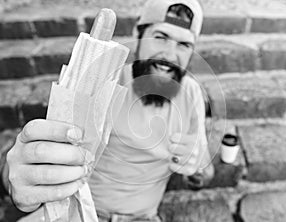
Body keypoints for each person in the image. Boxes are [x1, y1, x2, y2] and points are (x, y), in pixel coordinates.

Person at [2, 0, 214, 221]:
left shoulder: (191, 93)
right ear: (138, 33)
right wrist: (16, 175)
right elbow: (35, 157)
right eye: (160, 37)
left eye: (184, 44)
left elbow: (204, 172)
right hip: (76, 211)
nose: (170, 55)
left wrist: (197, 168)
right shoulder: (104, 81)